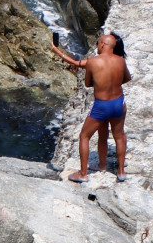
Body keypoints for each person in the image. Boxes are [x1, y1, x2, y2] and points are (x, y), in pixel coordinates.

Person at [50, 29, 131, 182]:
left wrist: (56, 50)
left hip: (102, 106)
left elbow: (87, 83)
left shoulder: (93, 62)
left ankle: (83, 174)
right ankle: (119, 172)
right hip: (118, 103)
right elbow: (127, 78)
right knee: (119, 136)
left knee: (84, 136)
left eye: (98, 43)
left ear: (102, 45)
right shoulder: (121, 60)